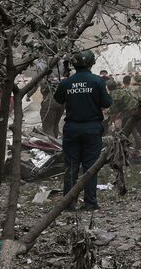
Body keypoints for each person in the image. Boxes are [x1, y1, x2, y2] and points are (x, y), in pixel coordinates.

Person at [55, 49, 112, 211]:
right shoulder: (98, 82)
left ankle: (69, 203)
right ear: (92, 63)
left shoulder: (66, 83)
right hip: (92, 129)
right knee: (90, 167)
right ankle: (90, 203)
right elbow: (107, 103)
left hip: (71, 128)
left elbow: (58, 99)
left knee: (71, 166)